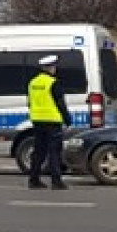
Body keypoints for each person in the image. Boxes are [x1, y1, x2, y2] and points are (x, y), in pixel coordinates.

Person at [26, 54, 72, 190]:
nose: (55, 69)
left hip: (37, 121)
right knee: (54, 152)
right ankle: (56, 181)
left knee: (38, 152)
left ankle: (33, 180)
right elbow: (60, 104)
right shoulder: (53, 83)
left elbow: (29, 103)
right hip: (52, 121)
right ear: (50, 68)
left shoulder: (32, 83)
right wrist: (68, 120)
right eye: (54, 67)